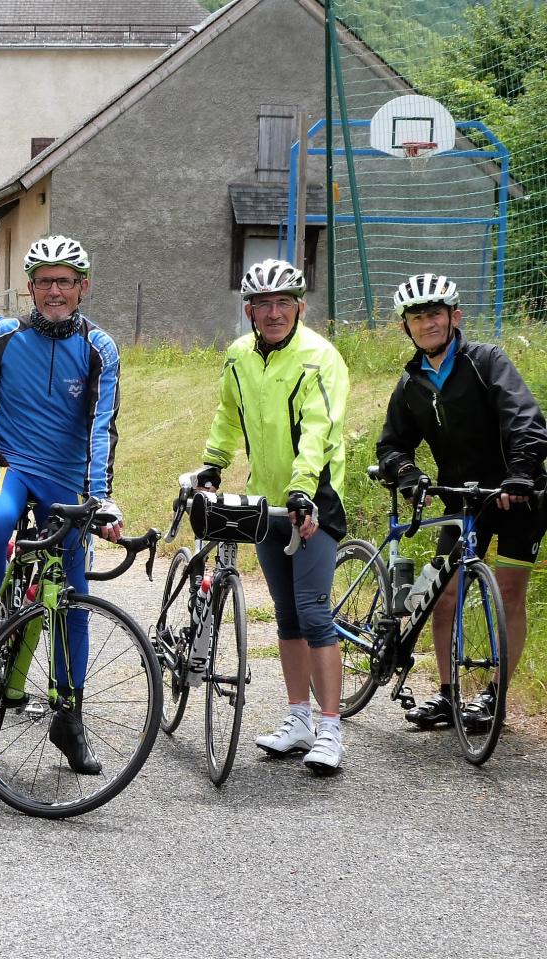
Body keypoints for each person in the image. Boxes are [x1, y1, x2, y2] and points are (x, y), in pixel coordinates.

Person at [0, 236, 124, 774]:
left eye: (66, 281)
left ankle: (68, 719)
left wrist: (99, 499)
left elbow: (102, 426)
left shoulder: (100, 347)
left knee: (73, 596)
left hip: (68, 479)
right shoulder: (5, 338)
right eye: (45, 280)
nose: (55, 290)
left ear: (83, 287)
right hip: (13, 463)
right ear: (29, 287)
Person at [198, 258, 350, 774]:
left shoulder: (319, 358)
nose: (273, 312)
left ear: (299, 307)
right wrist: (213, 465)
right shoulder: (238, 356)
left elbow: (320, 432)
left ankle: (331, 728)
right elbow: (226, 413)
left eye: (283, 302)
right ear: (249, 310)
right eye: (263, 304)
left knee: (313, 610)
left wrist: (302, 491)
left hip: (314, 500)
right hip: (266, 503)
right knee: (286, 615)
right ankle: (299, 718)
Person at [376, 273, 547, 731]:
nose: (427, 323)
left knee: (509, 591)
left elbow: (525, 416)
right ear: (405, 327)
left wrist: (521, 473)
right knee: (444, 594)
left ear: (455, 316)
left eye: (435, 313)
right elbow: (391, 446)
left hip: (515, 493)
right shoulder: (411, 382)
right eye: (417, 317)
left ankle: (496, 696)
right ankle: (448, 694)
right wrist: (408, 474)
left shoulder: (485, 361)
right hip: (458, 497)